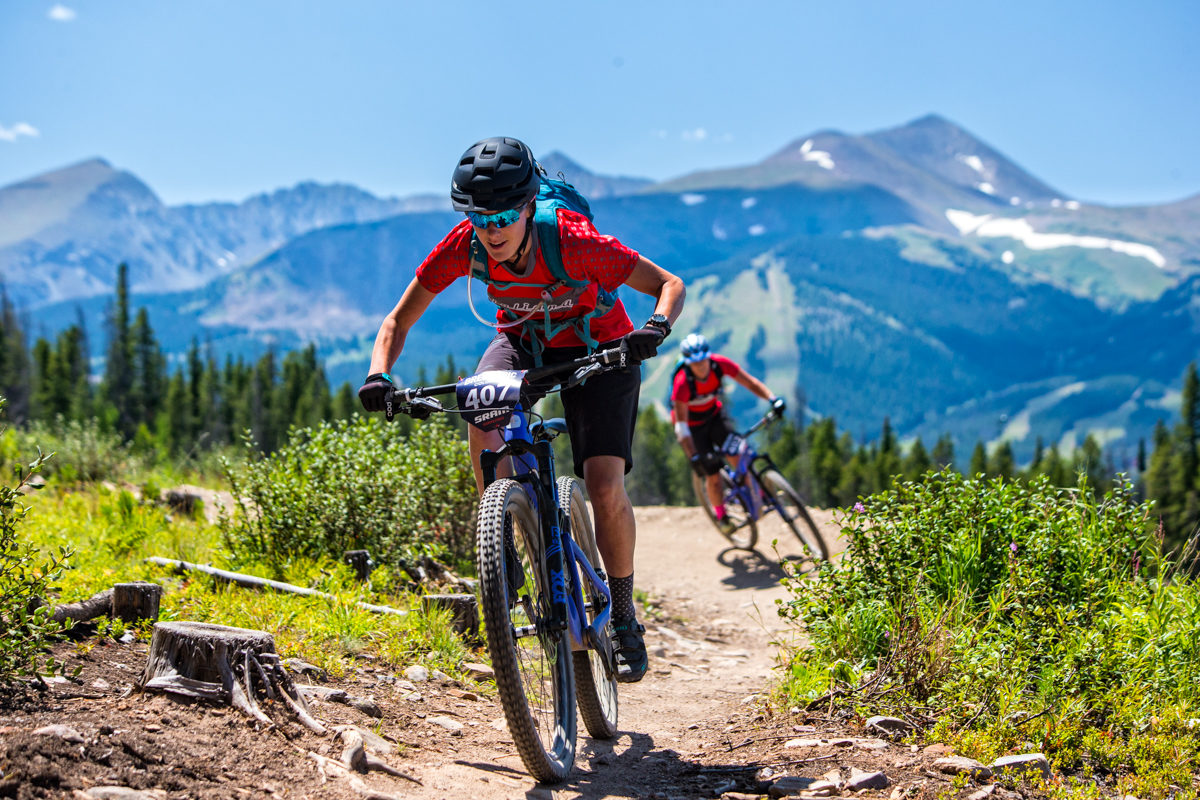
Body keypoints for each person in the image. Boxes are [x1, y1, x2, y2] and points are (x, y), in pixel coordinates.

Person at [358, 136, 685, 683]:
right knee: (477, 402)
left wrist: (653, 330)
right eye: (480, 218)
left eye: (505, 215)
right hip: (527, 347)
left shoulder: (573, 241)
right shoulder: (465, 246)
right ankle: (504, 537)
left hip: (602, 347)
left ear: (530, 205)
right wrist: (379, 374)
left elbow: (668, 285)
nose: (493, 230)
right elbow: (397, 321)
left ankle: (625, 615)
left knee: (604, 485)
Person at [671, 333, 786, 532]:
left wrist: (772, 399)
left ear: (709, 356)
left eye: (703, 360)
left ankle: (755, 494)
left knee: (738, 454)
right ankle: (722, 516)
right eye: (695, 363)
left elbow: (750, 383)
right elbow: (681, 426)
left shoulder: (719, 365)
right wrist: (694, 456)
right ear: (688, 363)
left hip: (715, 416)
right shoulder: (682, 384)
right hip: (694, 428)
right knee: (713, 476)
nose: (701, 366)